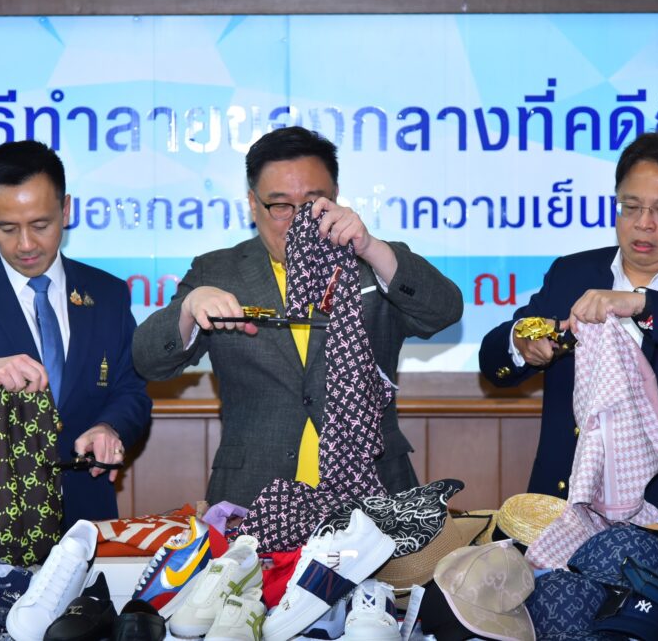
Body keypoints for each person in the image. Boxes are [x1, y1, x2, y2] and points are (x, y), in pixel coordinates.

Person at [132, 126, 464, 508]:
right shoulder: (218, 272)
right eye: (280, 206)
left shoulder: (374, 262)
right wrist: (188, 310)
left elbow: (444, 311)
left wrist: (372, 248)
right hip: (253, 495)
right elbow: (148, 360)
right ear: (253, 205)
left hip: (374, 491)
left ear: (335, 196)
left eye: (312, 203)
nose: (298, 221)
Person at [479, 130, 658, 521]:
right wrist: (521, 342)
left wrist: (642, 303)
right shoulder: (572, 273)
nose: (643, 224)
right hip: (571, 515)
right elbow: (493, 362)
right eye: (630, 206)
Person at [0, 140, 151, 525]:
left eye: (40, 225)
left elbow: (131, 391)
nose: (25, 244)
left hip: (88, 516)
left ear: (66, 209)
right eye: (7, 228)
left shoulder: (107, 294)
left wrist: (110, 427)